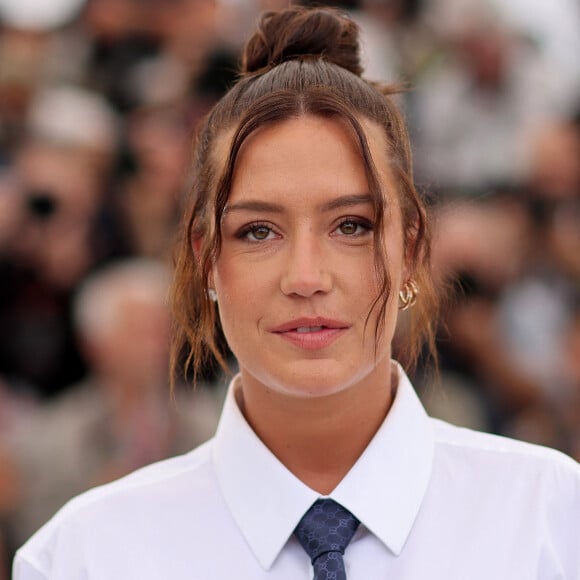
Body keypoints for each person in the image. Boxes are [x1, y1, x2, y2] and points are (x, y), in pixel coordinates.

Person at [14, 6, 580, 579]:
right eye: (259, 231)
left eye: (351, 226)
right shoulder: (84, 557)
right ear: (207, 258)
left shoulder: (552, 521)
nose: (306, 276)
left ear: (410, 250)